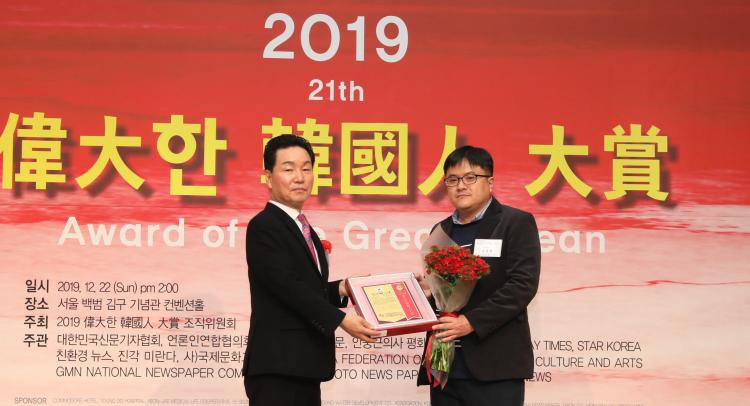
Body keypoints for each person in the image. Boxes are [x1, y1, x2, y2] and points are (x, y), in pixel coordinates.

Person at [242, 134, 379, 406]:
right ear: (269, 178)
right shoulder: (264, 226)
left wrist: (342, 288)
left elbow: (307, 288)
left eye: (306, 169)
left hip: (303, 365)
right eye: (289, 169)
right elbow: (287, 287)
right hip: (277, 367)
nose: (299, 177)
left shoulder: (304, 229)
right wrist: (341, 320)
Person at [417, 145, 542, 406]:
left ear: (490, 182)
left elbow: (522, 286)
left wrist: (471, 322)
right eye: (452, 180)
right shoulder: (440, 229)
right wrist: (429, 292)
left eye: (470, 177)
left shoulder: (514, 222)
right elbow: (445, 293)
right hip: (445, 367)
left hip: (494, 368)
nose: (461, 186)